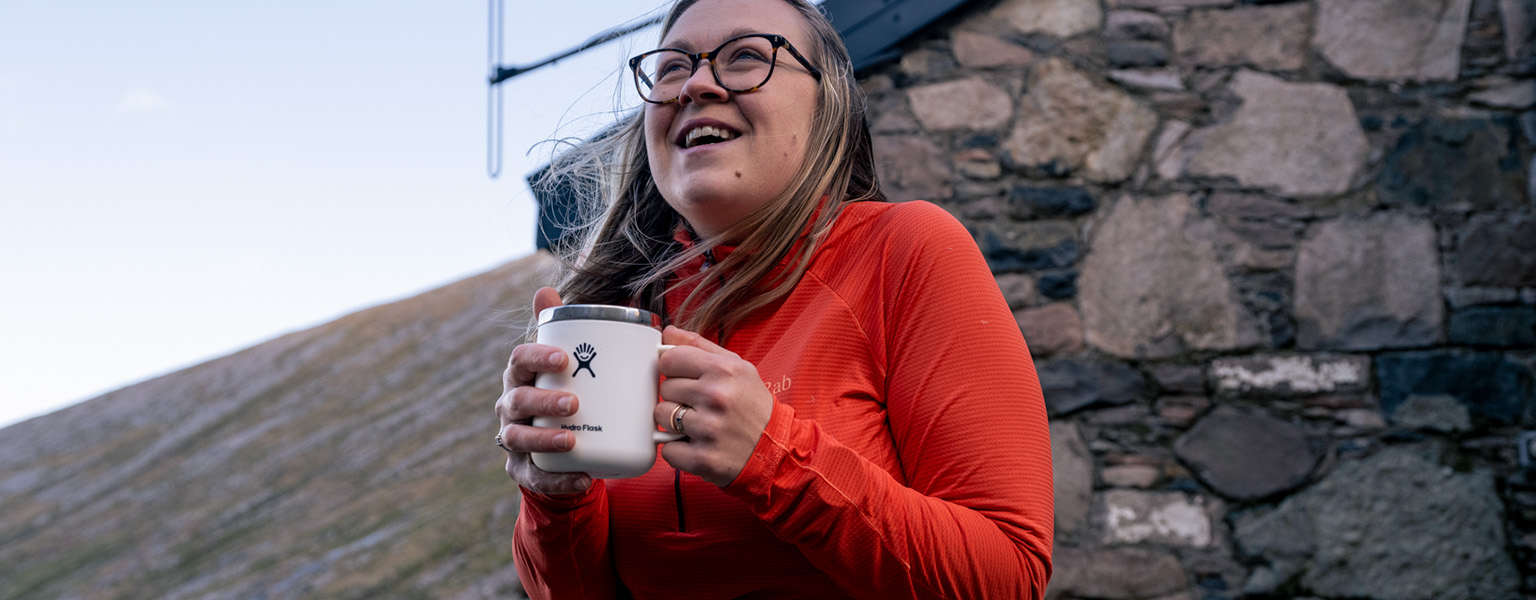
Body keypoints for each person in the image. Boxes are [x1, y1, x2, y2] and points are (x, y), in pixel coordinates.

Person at [493, 0, 1053, 597]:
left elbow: (1008, 579)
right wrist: (555, 500)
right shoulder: (617, 321)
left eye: (746, 58)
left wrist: (773, 457)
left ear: (828, 104)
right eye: (672, 69)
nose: (697, 85)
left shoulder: (906, 249)